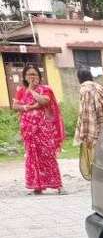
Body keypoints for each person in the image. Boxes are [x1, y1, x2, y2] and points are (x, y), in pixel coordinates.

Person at [13, 65, 64, 195]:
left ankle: (57, 185)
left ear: (39, 76)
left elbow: (44, 102)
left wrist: (31, 91)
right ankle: (37, 186)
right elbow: (15, 106)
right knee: (32, 156)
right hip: (28, 129)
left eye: (34, 74)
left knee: (48, 154)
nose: (32, 77)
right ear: (24, 77)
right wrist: (28, 107)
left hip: (43, 128)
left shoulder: (45, 89)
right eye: (29, 74)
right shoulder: (20, 90)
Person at [76, 68, 103, 180]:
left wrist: (86, 134)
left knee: (95, 152)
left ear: (79, 78)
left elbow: (87, 113)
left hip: (94, 126)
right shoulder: (98, 86)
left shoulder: (84, 89)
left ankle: (100, 175)